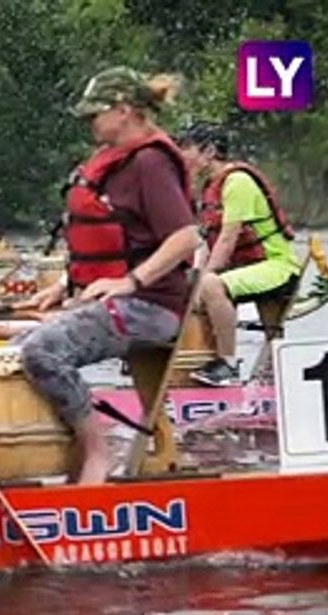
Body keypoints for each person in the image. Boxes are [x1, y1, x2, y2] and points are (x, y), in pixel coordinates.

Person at [17, 67, 200, 486]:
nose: (90, 124)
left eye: (94, 115)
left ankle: (96, 454)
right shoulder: (117, 163)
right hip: (127, 301)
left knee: (41, 351)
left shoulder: (151, 162)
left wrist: (130, 283)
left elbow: (186, 237)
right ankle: (59, 459)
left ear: (124, 111)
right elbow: (116, 239)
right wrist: (66, 287)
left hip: (151, 306)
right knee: (15, 347)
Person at [177, 121, 302, 387]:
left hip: (276, 267)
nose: (181, 154)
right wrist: (193, 275)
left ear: (209, 151)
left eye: (186, 148)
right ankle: (182, 375)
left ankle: (228, 364)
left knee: (210, 283)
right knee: (189, 281)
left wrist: (204, 280)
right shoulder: (209, 187)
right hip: (246, 269)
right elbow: (204, 240)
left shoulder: (237, 182)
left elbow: (227, 240)